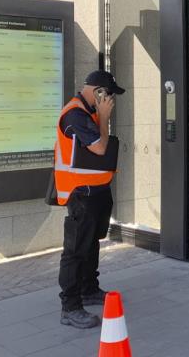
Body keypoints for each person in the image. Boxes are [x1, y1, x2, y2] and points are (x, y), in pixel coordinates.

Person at [54, 70, 125, 329]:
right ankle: (70, 307)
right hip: (80, 194)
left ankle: (89, 289)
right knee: (75, 251)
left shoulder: (89, 113)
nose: (110, 101)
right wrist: (105, 118)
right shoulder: (75, 114)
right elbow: (99, 147)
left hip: (96, 191)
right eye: (108, 95)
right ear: (97, 91)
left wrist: (101, 117)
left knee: (91, 244)